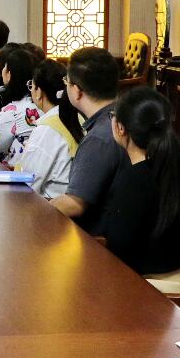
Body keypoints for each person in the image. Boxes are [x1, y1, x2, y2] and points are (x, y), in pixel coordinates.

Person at [98, 87, 180, 292]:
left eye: (112, 115)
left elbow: (119, 253)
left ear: (120, 128)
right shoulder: (171, 167)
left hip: (157, 293)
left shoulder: (134, 180)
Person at [50, 47, 125, 230]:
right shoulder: (124, 116)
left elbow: (74, 205)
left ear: (77, 91)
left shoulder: (99, 138)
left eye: (66, 81)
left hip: (98, 239)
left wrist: (36, 210)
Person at [11, 60, 82, 199]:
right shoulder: (77, 116)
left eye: (32, 86)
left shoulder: (47, 130)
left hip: (51, 205)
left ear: (39, 92)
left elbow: (27, 181)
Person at [0, 46, 41, 161]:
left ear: (9, 74)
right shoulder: (43, 106)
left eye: (4, 67)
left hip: (14, 169)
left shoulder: (10, 112)